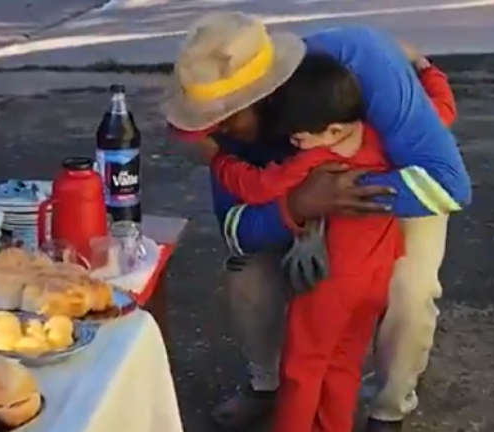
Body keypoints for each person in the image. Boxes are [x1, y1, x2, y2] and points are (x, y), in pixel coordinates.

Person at [162, 12, 468, 432]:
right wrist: (299, 206)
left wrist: (343, 191)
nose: (216, 134)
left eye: (226, 119)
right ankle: (264, 387)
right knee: (249, 277)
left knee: (410, 291)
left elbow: (449, 185)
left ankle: (389, 408)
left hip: (403, 187)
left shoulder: (360, 64)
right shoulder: (234, 131)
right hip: (320, 217)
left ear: (264, 95)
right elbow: (236, 229)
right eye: (206, 124)